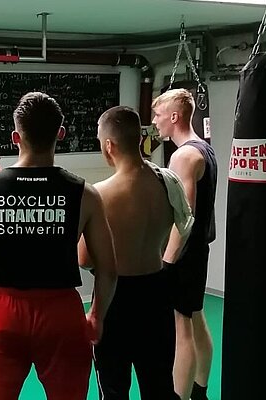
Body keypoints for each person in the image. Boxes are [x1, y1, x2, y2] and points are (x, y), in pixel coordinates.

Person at [0, 91, 118, 400]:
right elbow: (108, 269)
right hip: (62, 313)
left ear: (16, 136)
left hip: (3, 311)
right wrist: (97, 315)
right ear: (61, 134)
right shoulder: (86, 194)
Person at [79, 105, 193, 400]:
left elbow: (84, 258)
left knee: (115, 389)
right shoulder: (167, 182)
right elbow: (184, 225)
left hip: (116, 298)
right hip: (156, 291)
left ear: (109, 145)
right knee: (158, 386)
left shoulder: (99, 193)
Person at [152, 89, 217, 400]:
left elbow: (185, 217)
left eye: (158, 116)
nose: (155, 122)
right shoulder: (204, 149)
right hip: (199, 250)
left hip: (186, 255)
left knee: (181, 328)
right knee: (195, 315)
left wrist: (167, 261)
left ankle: (180, 396)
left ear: (174, 117)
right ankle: (201, 390)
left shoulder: (184, 155)